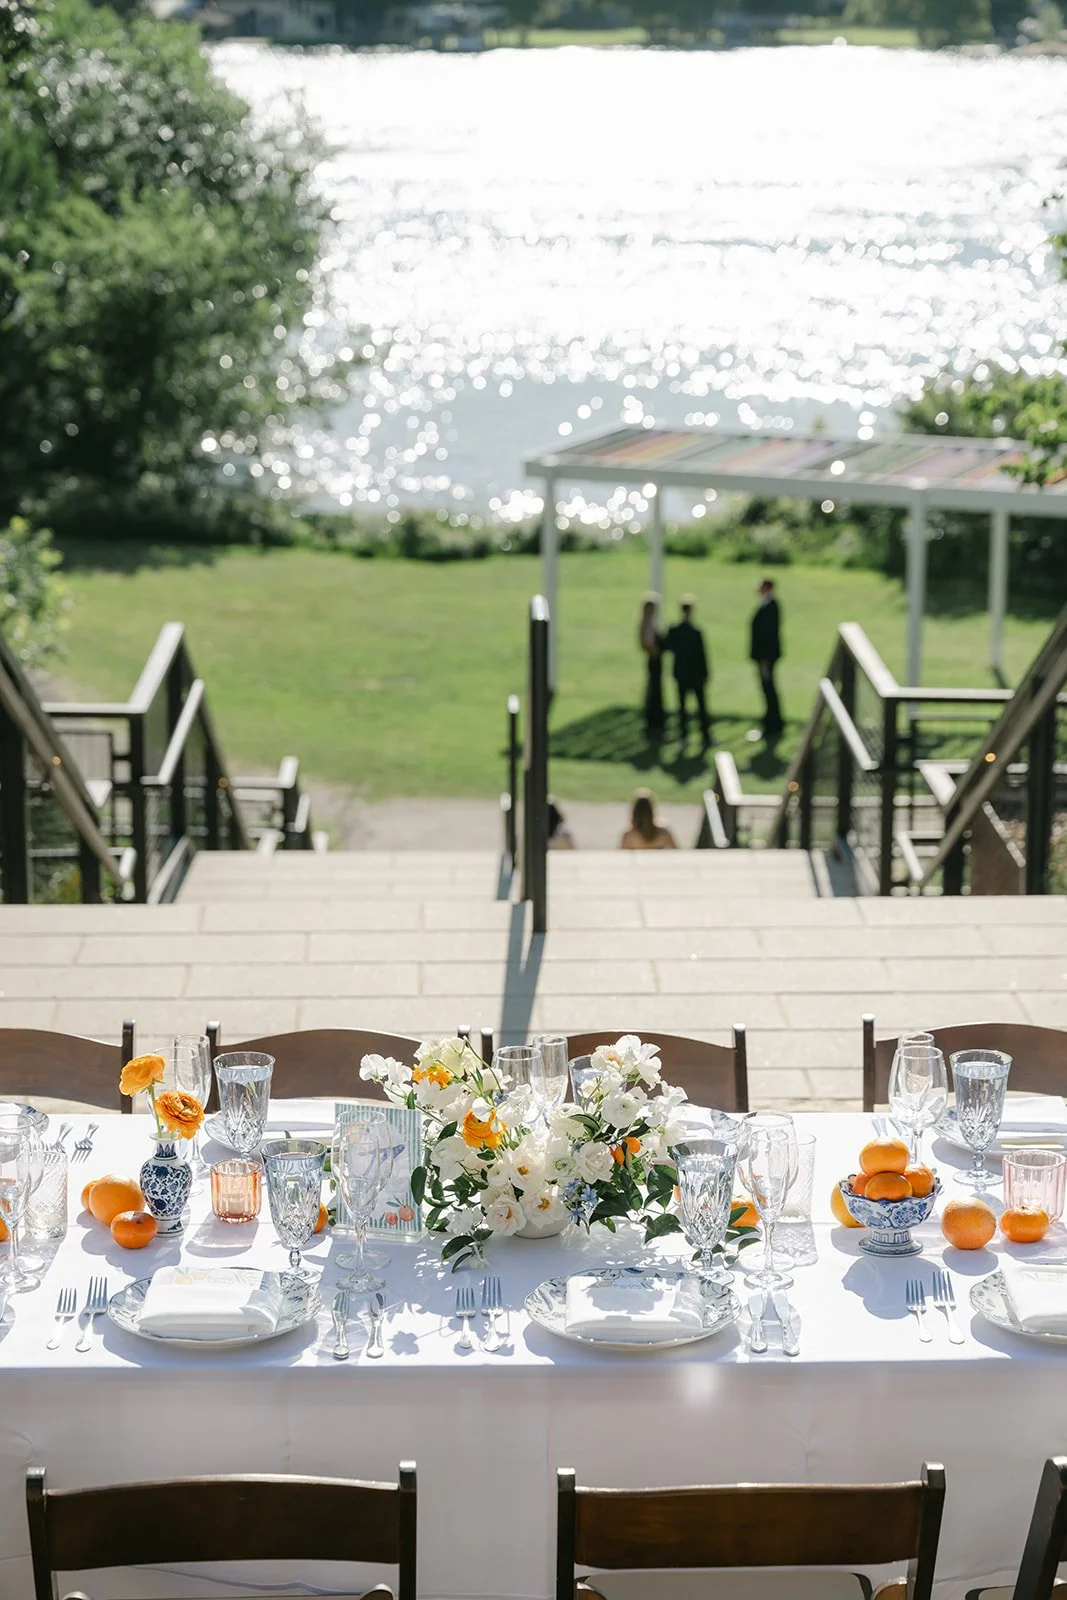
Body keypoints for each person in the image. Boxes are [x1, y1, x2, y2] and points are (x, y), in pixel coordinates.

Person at [664, 595, 710, 749]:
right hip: (694, 674)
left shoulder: (676, 630)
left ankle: (687, 737)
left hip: (683, 674)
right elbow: (702, 655)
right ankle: (702, 736)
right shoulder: (694, 631)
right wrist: (705, 674)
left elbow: (666, 647)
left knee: (685, 707)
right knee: (697, 707)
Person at [749, 577, 783, 741]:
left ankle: (772, 724)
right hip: (764, 657)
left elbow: (768, 636)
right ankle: (771, 723)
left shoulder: (771, 607)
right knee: (767, 689)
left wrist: (764, 660)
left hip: (766, 657)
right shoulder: (767, 605)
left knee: (768, 688)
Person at [638, 595, 665, 740]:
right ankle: (654, 723)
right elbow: (647, 644)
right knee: (654, 691)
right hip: (654, 661)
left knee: (654, 690)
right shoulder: (647, 624)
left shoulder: (645, 623)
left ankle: (654, 723)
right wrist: (656, 652)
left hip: (654, 660)